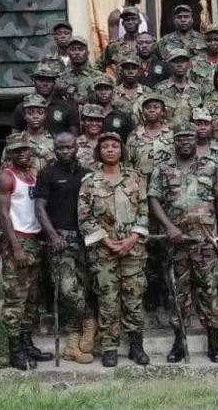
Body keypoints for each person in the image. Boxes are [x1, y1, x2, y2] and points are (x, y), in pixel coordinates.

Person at [149, 122, 218, 363]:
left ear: (197, 139)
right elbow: (153, 199)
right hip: (176, 242)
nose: (185, 141)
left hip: (205, 241)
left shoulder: (211, 166)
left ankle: (214, 341)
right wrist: (169, 227)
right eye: (180, 138)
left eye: (189, 137)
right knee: (178, 293)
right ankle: (179, 341)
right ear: (173, 141)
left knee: (209, 291)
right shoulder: (162, 169)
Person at [78, 131, 151, 367]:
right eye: (105, 147)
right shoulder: (90, 182)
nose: (110, 150)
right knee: (108, 299)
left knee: (134, 297)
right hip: (103, 252)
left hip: (133, 250)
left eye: (115, 146)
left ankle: (136, 346)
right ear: (99, 152)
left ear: (122, 151)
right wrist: (106, 241)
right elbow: (84, 217)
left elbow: (144, 211)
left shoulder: (136, 178)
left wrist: (132, 239)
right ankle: (110, 346)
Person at [35, 132, 96, 365]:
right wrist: (52, 235)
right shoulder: (47, 174)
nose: (65, 151)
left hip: (87, 239)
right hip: (60, 239)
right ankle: (89, 320)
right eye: (60, 148)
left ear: (76, 147)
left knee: (85, 287)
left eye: (69, 147)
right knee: (67, 288)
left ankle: (73, 345)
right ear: (54, 149)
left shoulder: (88, 175)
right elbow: (39, 208)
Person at [0, 133, 53, 371]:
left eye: (26, 150)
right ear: (11, 154)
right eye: (18, 151)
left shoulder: (32, 176)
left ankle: (27, 342)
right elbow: (3, 214)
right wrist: (15, 246)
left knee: (32, 298)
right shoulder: (6, 178)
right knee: (15, 299)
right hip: (18, 241)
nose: (23, 154)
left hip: (35, 242)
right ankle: (15, 350)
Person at [12, 62, 78, 136]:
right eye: (41, 80)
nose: (45, 84)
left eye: (49, 80)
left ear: (54, 83)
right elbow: (15, 137)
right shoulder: (22, 108)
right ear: (34, 82)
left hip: (58, 146)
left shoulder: (65, 107)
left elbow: (74, 136)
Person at [2, 95, 55, 177]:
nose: (35, 116)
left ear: (45, 115)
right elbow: (4, 173)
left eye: (40, 113)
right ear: (24, 116)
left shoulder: (55, 141)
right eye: (30, 113)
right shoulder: (15, 143)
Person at [126, 94, 174, 180]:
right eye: (148, 108)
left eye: (156, 107)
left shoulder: (172, 134)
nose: (152, 110)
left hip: (167, 182)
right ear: (143, 111)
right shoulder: (134, 136)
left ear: (162, 111)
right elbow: (128, 163)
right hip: (141, 184)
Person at [154, 49, 204, 129]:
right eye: (175, 62)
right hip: (167, 136)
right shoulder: (159, 89)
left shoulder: (199, 89)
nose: (179, 65)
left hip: (191, 136)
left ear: (189, 64)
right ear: (169, 64)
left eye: (183, 61)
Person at [59, 36, 104, 105]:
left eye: (81, 49)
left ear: (88, 53)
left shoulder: (98, 77)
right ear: (68, 53)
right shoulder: (61, 78)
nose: (77, 53)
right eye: (73, 49)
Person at [189, 25, 218, 91]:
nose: (213, 43)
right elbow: (189, 87)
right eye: (209, 40)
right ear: (204, 41)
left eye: (216, 39)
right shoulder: (194, 62)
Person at [98, 6, 141, 76]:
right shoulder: (115, 45)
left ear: (139, 21)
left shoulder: (148, 44)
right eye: (127, 20)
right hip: (121, 85)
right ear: (123, 23)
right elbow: (98, 67)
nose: (130, 22)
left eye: (133, 19)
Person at [91, 75, 134, 143]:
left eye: (107, 89)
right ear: (94, 92)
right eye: (99, 89)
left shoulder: (123, 116)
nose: (103, 92)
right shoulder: (89, 116)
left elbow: (129, 140)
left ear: (113, 91)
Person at [113, 54, 152, 126]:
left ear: (139, 72)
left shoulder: (148, 92)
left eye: (134, 68)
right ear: (121, 72)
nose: (130, 71)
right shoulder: (113, 93)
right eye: (127, 68)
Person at [193, 107, 218, 174]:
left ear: (211, 127)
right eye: (198, 124)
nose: (203, 128)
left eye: (206, 124)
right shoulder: (185, 148)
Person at [77, 104, 105, 170]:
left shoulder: (109, 143)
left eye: (98, 120)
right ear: (83, 122)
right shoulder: (75, 144)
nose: (94, 124)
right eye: (90, 120)